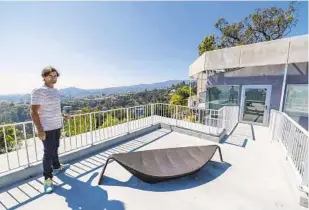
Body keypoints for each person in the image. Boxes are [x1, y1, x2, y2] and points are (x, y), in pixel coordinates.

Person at [30, 66, 70, 193]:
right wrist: (40, 129)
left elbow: (54, 109)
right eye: (50, 76)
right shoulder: (38, 91)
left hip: (57, 125)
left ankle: (57, 166)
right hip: (46, 128)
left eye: (55, 76)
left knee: (56, 147)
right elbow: (34, 112)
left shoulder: (56, 91)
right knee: (48, 153)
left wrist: (63, 116)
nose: (53, 78)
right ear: (44, 77)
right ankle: (47, 179)